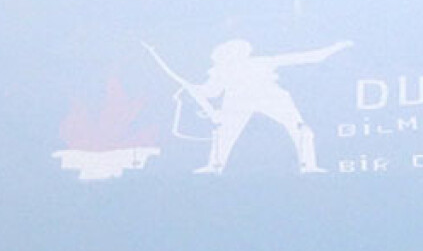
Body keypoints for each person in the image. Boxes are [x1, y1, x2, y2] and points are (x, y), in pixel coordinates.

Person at [148, 38, 352, 174]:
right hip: (238, 101)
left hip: (270, 96)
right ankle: (214, 167)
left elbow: (307, 57)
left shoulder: (261, 62)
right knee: (224, 135)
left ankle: (309, 166)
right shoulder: (219, 71)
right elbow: (210, 92)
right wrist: (193, 90)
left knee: (301, 130)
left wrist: (336, 48)